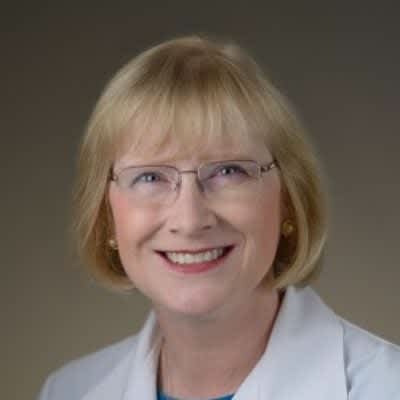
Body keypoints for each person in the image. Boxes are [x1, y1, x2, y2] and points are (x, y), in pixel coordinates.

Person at [38, 35, 400, 400]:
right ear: (107, 215)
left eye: (228, 171)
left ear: (288, 201)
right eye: (150, 177)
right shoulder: (67, 391)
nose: (190, 220)